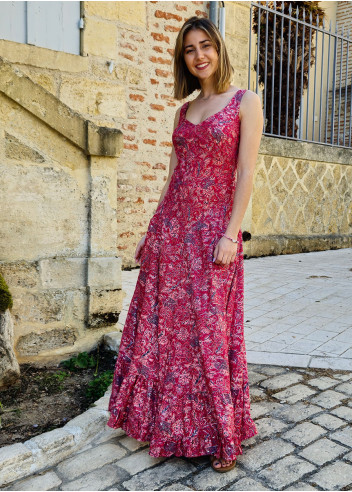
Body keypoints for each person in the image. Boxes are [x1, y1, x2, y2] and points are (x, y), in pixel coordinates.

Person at [107, 15, 263, 473]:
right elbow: (172, 176)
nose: (199, 55)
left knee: (211, 334)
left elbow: (246, 173)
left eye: (205, 46)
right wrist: (153, 229)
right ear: (183, 57)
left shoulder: (245, 101)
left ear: (218, 48)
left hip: (214, 232)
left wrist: (231, 234)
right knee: (170, 333)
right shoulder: (184, 110)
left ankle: (221, 434)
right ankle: (171, 426)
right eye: (190, 49)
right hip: (174, 231)